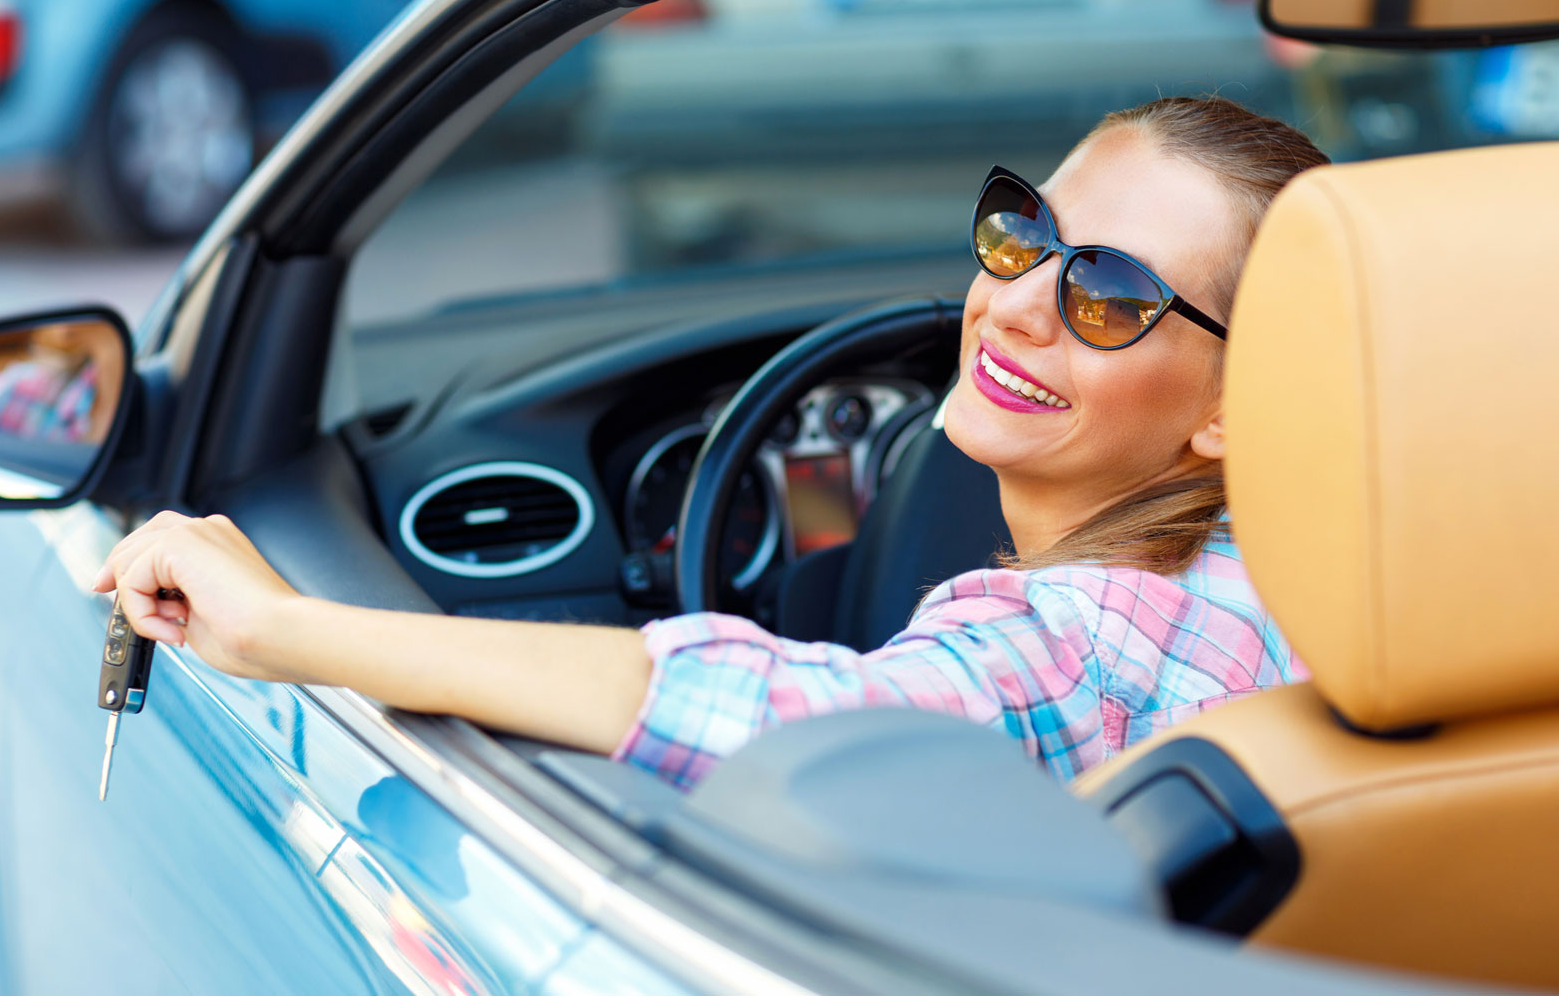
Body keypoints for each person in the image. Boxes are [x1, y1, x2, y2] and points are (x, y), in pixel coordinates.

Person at [93, 97, 1328, 789]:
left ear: (1235, 399)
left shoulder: (1103, 639)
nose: (1012, 302)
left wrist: (279, 628)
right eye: (1022, 231)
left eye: (1107, 298)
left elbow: (799, 719)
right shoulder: (1337, 582)